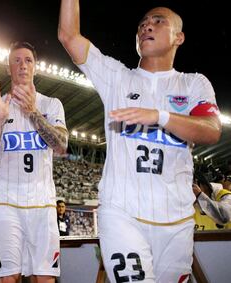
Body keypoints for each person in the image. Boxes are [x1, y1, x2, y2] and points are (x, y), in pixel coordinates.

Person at [58, 2, 222, 282]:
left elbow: (211, 130)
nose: (146, 25)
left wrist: (160, 116)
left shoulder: (194, 84)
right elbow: (69, 36)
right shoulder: (116, 77)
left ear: (178, 37)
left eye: (158, 21)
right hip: (123, 215)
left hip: (177, 221)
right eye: (143, 22)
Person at [0, 41, 68, 283]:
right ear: (8, 68)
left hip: (43, 204)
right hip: (6, 203)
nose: (22, 65)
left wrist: (32, 112)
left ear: (35, 67)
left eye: (28, 60)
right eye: (16, 60)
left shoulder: (51, 104)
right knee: (8, 278)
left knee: (44, 278)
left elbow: (61, 146)